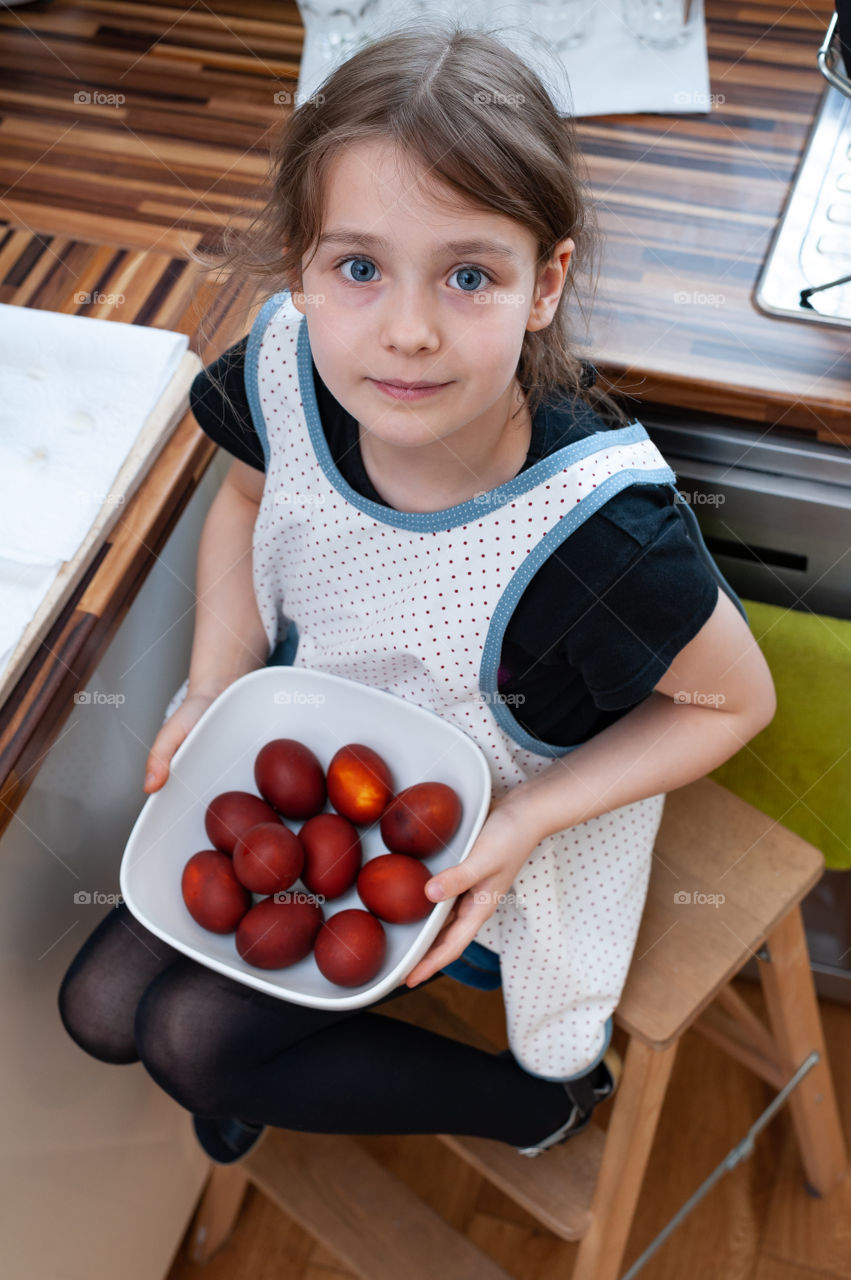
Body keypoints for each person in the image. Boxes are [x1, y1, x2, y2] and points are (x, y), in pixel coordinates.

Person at [57, 21, 776, 1165]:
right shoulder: (288, 362)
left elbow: (731, 702)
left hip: (505, 835)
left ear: (544, 284)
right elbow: (247, 502)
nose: (404, 329)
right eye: (357, 267)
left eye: (468, 274)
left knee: (193, 1040)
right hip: (341, 778)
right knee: (98, 1014)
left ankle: (538, 1105)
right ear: (299, 266)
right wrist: (212, 682)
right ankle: (274, 1052)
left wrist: (522, 818)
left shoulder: (600, 536)